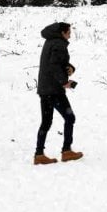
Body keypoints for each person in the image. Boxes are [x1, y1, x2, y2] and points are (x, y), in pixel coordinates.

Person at [34, 22, 82, 164]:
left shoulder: (51, 41)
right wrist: (64, 82)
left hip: (45, 89)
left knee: (46, 122)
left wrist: (70, 68)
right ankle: (66, 151)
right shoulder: (59, 44)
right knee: (70, 118)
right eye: (68, 32)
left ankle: (39, 154)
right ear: (62, 32)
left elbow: (57, 63)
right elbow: (54, 66)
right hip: (53, 90)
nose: (70, 34)